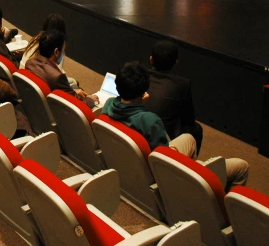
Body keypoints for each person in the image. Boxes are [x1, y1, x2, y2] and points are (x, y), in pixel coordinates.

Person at [102, 62, 249, 191]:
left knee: (189, 138)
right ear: (144, 91)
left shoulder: (109, 105)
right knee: (241, 166)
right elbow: (162, 160)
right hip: (160, 171)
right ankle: (193, 184)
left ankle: (193, 174)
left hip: (132, 162)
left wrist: (139, 103)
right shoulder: (150, 120)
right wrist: (141, 106)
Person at [144, 40, 203, 153]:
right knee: (196, 128)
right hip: (163, 136)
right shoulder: (183, 84)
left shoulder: (141, 74)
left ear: (151, 59)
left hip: (141, 130)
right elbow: (189, 119)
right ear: (176, 63)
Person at [24, 30, 98, 107]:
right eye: (63, 50)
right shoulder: (57, 77)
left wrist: (73, 91)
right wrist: (90, 99)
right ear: (56, 52)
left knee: (76, 87)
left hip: (36, 106)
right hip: (54, 110)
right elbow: (78, 105)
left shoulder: (30, 63)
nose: (64, 53)